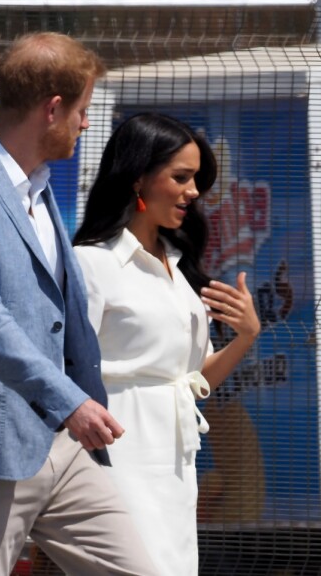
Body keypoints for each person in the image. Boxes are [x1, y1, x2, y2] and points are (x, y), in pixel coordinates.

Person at [0, 34, 159, 576]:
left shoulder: (36, 187)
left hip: (60, 447)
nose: (87, 124)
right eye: (83, 111)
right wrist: (69, 400)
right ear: (53, 108)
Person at [73, 112, 261, 576]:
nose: (194, 192)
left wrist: (247, 336)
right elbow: (65, 369)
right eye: (181, 177)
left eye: (197, 179)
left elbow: (191, 382)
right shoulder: (91, 263)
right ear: (138, 177)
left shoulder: (179, 269)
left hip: (176, 457)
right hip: (116, 450)